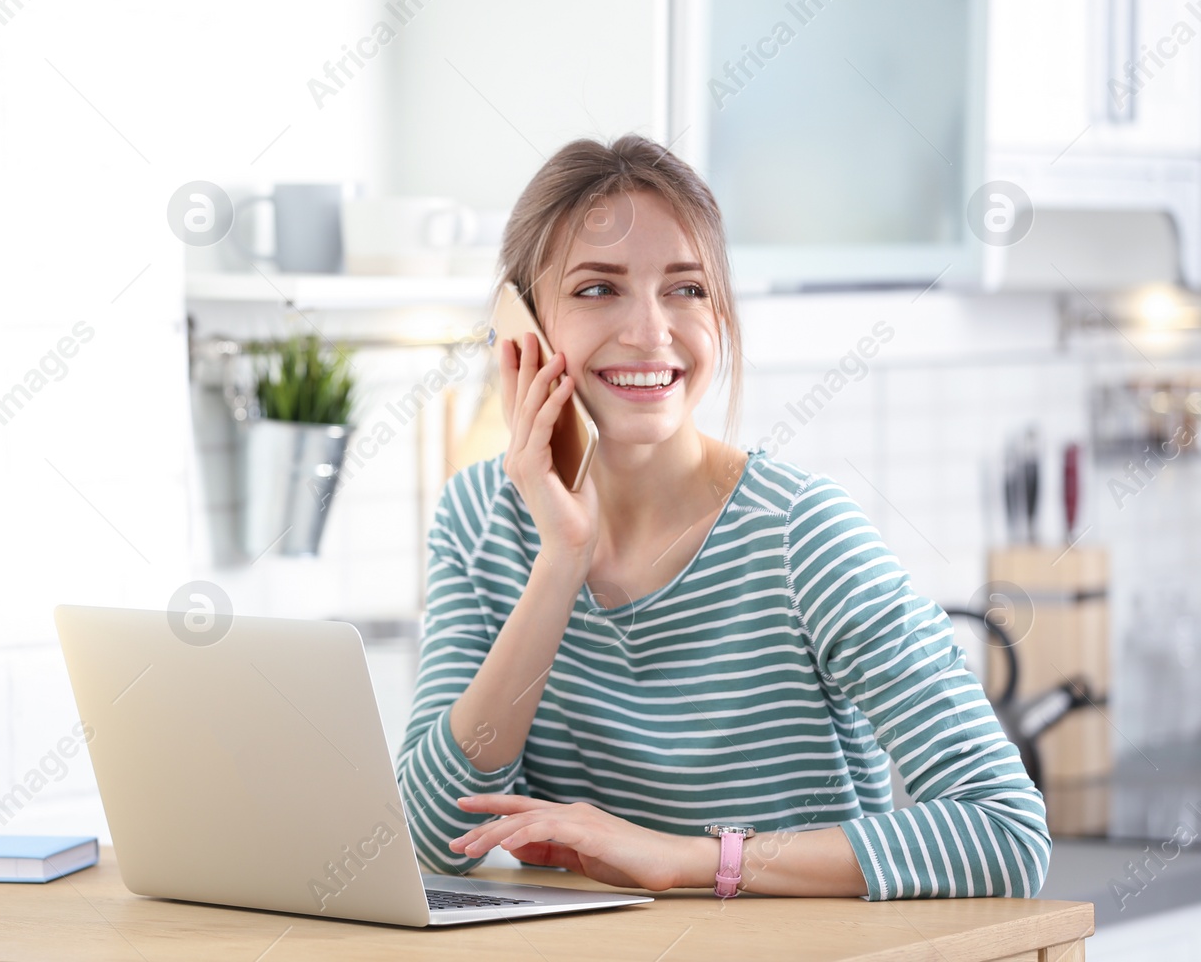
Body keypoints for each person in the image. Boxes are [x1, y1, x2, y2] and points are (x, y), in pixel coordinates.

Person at [394, 134, 1050, 899]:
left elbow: (1006, 832)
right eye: (598, 289)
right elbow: (430, 838)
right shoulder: (478, 521)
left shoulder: (802, 535)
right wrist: (560, 562)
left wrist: (690, 859)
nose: (649, 330)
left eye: (687, 288)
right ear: (523, 330)